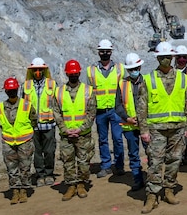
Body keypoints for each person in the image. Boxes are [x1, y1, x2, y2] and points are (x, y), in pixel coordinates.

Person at [140, 42, 187, 212]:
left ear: (172, 57)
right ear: (157, 58)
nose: (165, 60)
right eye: (162, 57)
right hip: (156, 129)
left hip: (177, 128)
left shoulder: (183, 78)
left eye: (167, 57)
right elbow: (142, 107)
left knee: (174, 160)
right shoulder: (148, 80)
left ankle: (169, 189)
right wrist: (144, 130)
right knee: (155, 163)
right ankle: (152, 195)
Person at [54, 59, 97, 200]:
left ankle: (81, 184)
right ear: (67, 74)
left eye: (75, 73)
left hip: (83, 135)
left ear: (79, 73)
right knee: (68, 162)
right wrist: (64, 129)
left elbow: (91, 113)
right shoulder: (59, 92)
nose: (73, 76)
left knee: (84, 162)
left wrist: (80, 129)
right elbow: (56, 113)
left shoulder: (88, 91)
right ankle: (71, 185)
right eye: (70, 74)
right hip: (66, 135)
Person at [0, 77, 38, 204]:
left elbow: (34, 120)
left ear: (17, 90)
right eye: (9, 90)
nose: (11, 92)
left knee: (25, 166)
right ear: (6, 91)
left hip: (25, 141)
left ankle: (24, 190)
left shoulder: (26, 105)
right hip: (8, 142)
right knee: (11, 168)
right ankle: (15, 190)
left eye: (13, 89)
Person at [86, 39, 125, 178]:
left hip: (116, 110)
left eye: (107, 51)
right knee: (102, 139)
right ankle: (106, 166)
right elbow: (88, 92)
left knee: (117, 138)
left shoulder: (120, 69)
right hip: (100, 111)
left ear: (111, 52)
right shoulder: (91, 71)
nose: (105, 54)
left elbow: (125, 89)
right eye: (102, 51)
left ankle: (119, 165)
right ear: (98, 52)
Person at [114, 52, 147, 191]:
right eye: (131, 69)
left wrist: (142, 119)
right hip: (129, 125)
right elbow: (118, 105)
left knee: (150, 152)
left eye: (136, 68)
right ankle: (137, 180)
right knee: (133, 154)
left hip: (145, 124)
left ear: (140, 68)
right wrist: (127, 118)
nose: (134, 71)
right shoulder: (122, 84)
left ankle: (152, 178)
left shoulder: (147, 82)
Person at [24, 57, 57, 186]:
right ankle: (40, 175)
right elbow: (23, 105)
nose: (38, 72)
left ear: (44, 70)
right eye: (35, 69)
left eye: (40, 69)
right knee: (37, 152)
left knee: (49, 151)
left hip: (48, 124)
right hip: (33, 126)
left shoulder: (52, 84)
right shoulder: (26, 86)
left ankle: (49, 174)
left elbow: (56, 104)